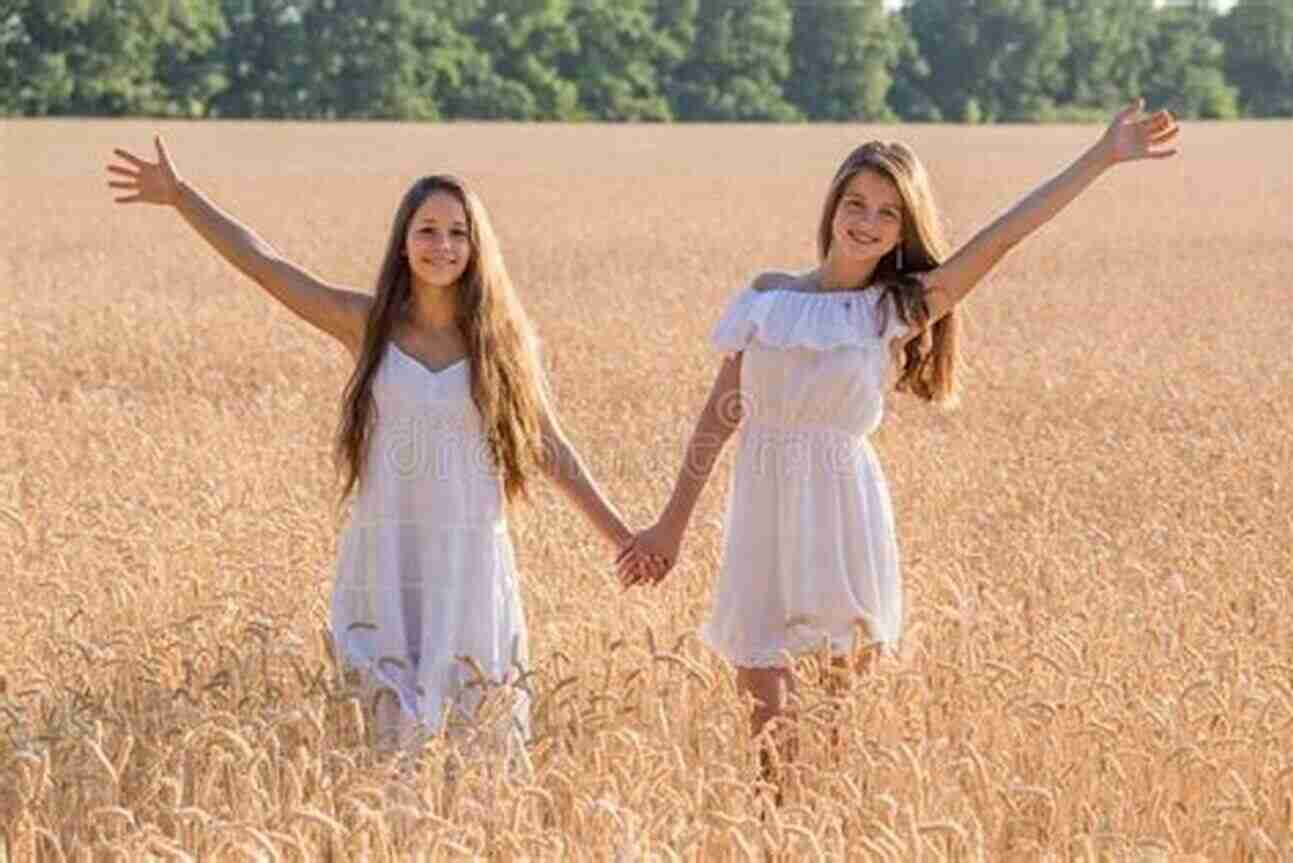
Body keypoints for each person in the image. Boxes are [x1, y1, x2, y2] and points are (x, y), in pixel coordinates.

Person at [618, 99, 1179, 762]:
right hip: (761, 513)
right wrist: (669, 527)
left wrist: (1101, 157)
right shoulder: (766, 296)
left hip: (842, 515)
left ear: (902, 229)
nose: (868, 222)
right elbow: (719, 416)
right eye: (856, 203)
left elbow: (1001, 237)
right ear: (832, 206)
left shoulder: (897, 307)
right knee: (767, 733)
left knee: (827, 732)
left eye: (888, 213)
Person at [106, 136, 660, 754]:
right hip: (385, 553)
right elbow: (268, 266)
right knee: (383, 735)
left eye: (457, 233)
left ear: (477, 248)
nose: (442, 246)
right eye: (428, 230)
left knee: (477, 737)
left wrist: (623, 539)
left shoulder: (505, 345)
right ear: (403, 240)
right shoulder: (367, 324)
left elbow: (550, 447)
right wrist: (183, 198)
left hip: (468, 561)